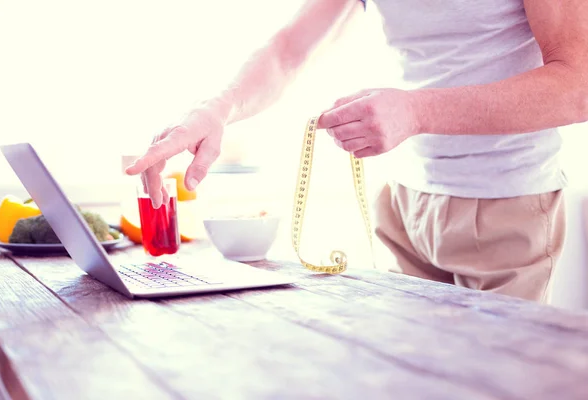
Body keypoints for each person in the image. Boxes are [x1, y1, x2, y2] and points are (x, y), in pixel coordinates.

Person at [125, 0, 588, 303]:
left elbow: (578, 84)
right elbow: (288, 50)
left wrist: (416, 112)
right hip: (404, 204)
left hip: (505, 205)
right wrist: (218, 108)